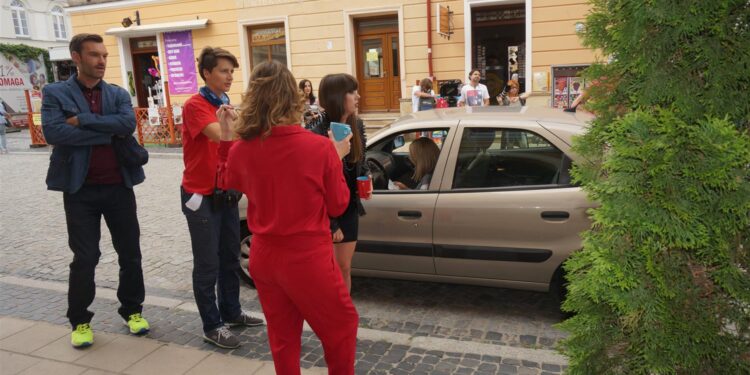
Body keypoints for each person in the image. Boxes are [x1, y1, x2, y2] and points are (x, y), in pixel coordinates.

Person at [216, 60, 359, 375]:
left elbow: (228, 180)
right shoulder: (319, 148)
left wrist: (227, 139)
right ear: (292, 97)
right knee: (342, 325)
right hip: (306, 256)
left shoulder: (242, 149)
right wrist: (336, 158)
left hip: (264, 256)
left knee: (282, 336)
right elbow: (338, 205)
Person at [40, 33, 150, 348]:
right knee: (86, 257)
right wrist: (106, 131)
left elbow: (126, 125)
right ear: (76, 57)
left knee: (131, 254)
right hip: (80, 190)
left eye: (103, 55)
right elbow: (55, 132)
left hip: (119, 187)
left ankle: (133, 311)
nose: (101, 61)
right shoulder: (56, 93)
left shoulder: (116, 93)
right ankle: (80, 321)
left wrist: (83, 121)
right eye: (93, 55)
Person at [180, 46, 263, 349]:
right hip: (199, 195)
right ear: (207, 73)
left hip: (225, 192)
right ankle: (212, 325)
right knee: (207, 263)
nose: (230, 76)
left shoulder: (224, 101)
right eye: (224, 71)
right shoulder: (195, 105)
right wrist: (247, 125)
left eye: (232, 71)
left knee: (229, 257)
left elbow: (236, 136)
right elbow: (221, 134)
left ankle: (232, 311)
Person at [306, 73, 372, 292]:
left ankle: (344, 314)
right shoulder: (315, 132)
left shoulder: (357, 124)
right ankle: (330, 314)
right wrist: (331, 222)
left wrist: (367, 177)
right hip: (326, 212)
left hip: (349, 207)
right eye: (352, 92)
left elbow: (362, 161)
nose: (358, 96)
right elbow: (316, 183)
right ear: (336, 96)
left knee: (344, 267)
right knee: (330, 269)